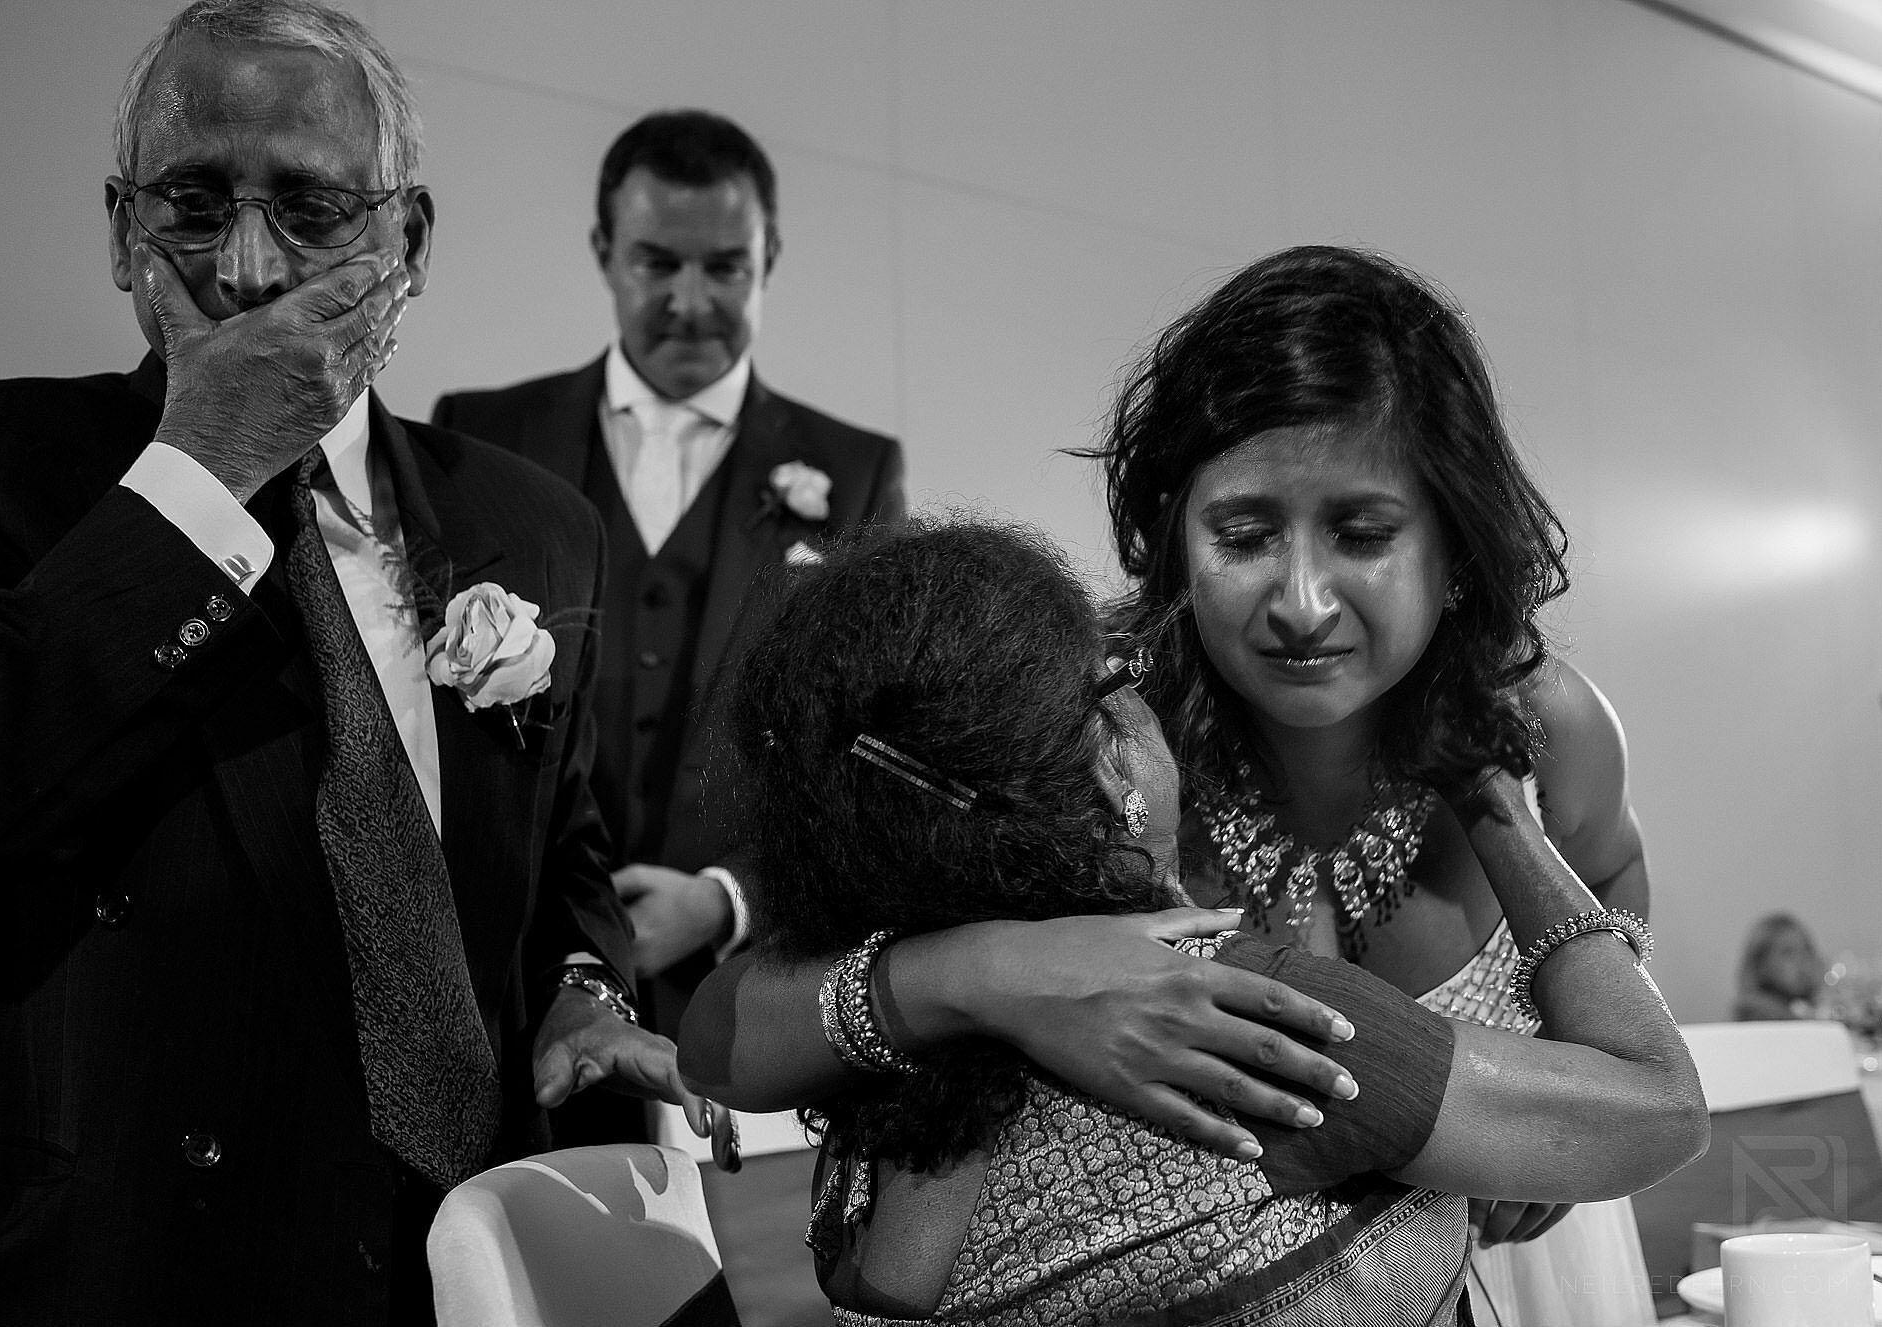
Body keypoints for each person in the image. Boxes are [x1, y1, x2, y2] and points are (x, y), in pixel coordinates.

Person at [0, 4, 712, 1322]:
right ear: (119, 226)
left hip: (441, 1257)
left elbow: (563, 831)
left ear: (412, 238)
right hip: (104, 1259)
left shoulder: (533, 521)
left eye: (313, 205)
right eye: (195, 201)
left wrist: (579, 986)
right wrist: (205, 466)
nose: (249, 266)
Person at [684, 247, 1661, 1326]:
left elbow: (1613, 872)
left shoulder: (1540, 725)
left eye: (1361, 533)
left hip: (1530, 1217)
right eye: (1242, 535)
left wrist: (1542, 1073)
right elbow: (725, 1027)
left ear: (1456, 546)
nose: (1298, 601)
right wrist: (980, 968)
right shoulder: (1091, 740)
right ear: (1170, 543)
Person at [433, 110, 906, 1048]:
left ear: (770, 258)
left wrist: (727, 898)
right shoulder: (480, 436)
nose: (691, 300)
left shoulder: (855, 472)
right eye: (658, 262)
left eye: (725, 266)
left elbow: (874, 756)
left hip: (735, 1008)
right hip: (505, 995)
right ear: (605, 252)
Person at [1733, 913, 1827, 1021]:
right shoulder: (1755, 1014)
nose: (1801, 959)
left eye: (1807, 949)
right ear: (1761, 965)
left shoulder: (1813, 1008)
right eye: (1788, 952)